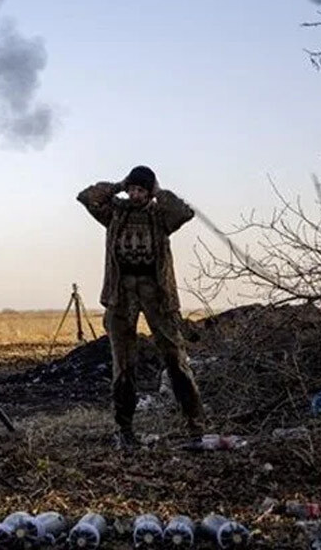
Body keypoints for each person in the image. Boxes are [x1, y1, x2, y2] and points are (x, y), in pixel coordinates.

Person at [77, 165, 204, 449]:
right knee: (123, 363)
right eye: (132, 190)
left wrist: (159, 192)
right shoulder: (116, 213)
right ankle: (124, 431)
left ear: (149, 192)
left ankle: (195, 427)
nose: (135, 195)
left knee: (175, 357)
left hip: (156, 292)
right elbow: (86, 197)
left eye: (141, 190)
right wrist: (119, 185)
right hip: (121, 293)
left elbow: (184, 212)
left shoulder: (160, 215)